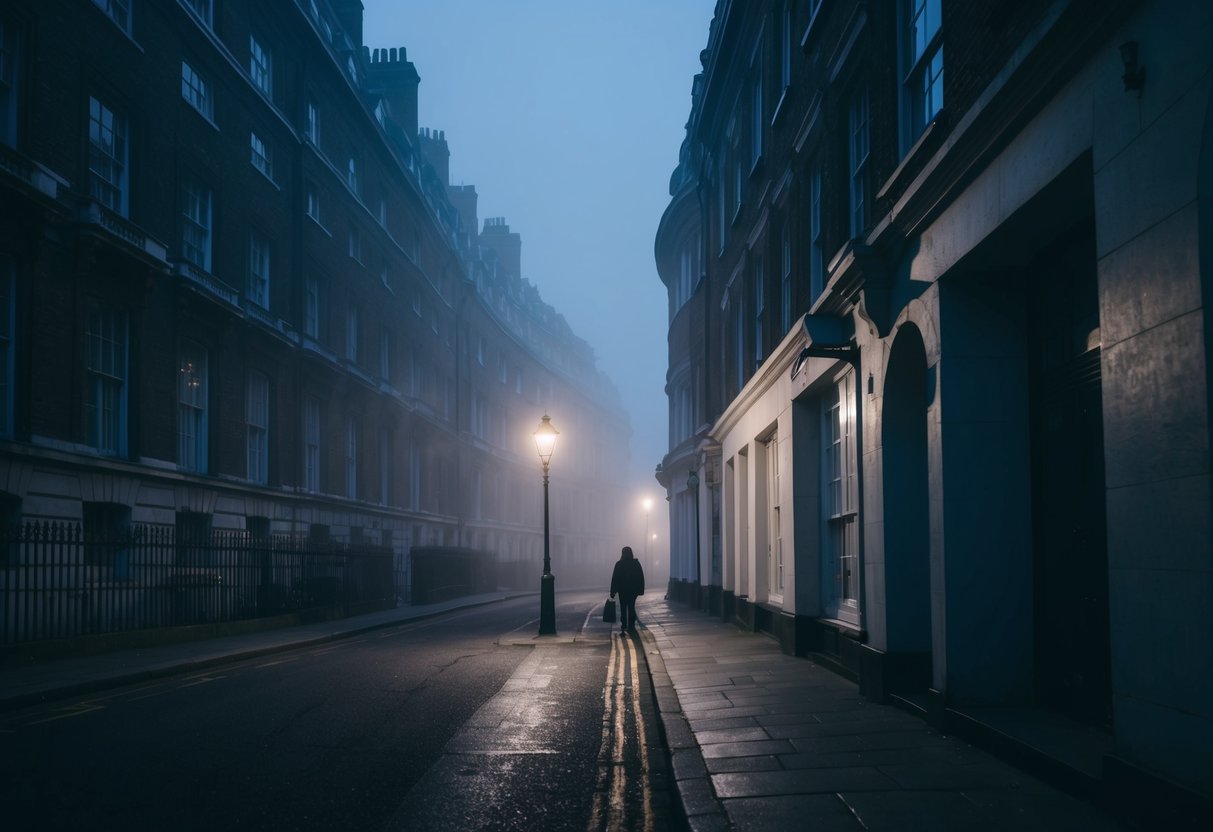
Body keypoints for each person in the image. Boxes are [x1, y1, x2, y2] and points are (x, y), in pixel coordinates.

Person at [609, 546, 645, 634]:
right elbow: (640, 577)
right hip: (633, 591)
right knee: (631, 607)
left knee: (623, 608)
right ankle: (631, 625)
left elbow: (615, 579)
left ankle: (624, 625)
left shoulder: (619, 564)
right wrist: (640, 589)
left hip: (623, 591)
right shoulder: (636, 563)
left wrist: (613, 591)